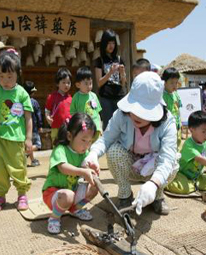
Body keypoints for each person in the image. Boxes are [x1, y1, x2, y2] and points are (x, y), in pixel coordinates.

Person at [83, 72, 179, 216]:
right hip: (130, 165)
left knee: (173, 162)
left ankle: (157, 195)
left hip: (154, 168)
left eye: (142, 111)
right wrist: (93, 154)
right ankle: (125, 194)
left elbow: (167, 158)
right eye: (133, 108)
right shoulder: (121, 115)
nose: (135, 114)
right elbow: (106, 139)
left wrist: (154, 183)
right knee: (114, 151)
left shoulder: (167, 123)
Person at [0, 50, 33, 212]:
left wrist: (28, 138)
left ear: (18, 75)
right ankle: (0, 196)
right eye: (1, 76)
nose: (5, 81)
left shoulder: (22, 94)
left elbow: (28, 118)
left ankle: (22, 195)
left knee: (19, 168)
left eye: (10, 77)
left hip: (16, 140)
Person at [42, 113, 99, 234]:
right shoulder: (60, 150)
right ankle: (54, 218)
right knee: (68, 196)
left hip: (72, 192)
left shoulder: (84, 153)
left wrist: (92, 168)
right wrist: (83, 171)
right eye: (83, 140)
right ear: (69, 136)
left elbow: (86, 166)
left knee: (94, 189)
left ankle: (75, 209)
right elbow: (63, 168)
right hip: (53, 194)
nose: (87, 145)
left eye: (90, 141)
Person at [165, 111, 206, 194]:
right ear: (192, 129)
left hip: (196, 176)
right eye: (204, 131)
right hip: (182, 174)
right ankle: (167, 182)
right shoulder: (188, 144)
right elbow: (201, 159)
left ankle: (195, 184)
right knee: (182, 188)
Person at [94, 29, 127, 131]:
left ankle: (120, 146)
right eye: (108, 43)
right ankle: (108, 147)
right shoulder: (99, 60)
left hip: (119, 96)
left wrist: (122, 73)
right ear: (104, 44)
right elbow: (99, 83)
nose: (111, 46)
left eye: (113, 43)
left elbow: (123, 83)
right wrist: (110, 72)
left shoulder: (119, 59)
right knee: (108, 126)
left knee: (121, 125)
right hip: (106, 98)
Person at [70, 66, 102, 142]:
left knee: (95, 147)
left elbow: (97, 113)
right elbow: (73, 113)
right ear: (78, 85)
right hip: (83, 127)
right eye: (86, 84)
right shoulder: (76, 97)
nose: (89, 86)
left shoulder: (93, 95)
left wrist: (100, 127)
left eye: (90, 83)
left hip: (96, 127)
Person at [45, 68, 73, 144]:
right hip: (56, 128)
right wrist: (47, 117)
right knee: (56, 147)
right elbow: (47, 110)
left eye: (68, 82)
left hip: (68, 128)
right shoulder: (51, 97)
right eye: (63, 82)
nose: (66, 85)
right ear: (57, 83)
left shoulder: (71, 99)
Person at [162, 68, 183, 149]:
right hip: (167, 124)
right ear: (164, 83)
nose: (174, 85)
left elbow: (178, 109)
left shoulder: (176, 94)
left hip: (177, 123)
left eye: (176, 82)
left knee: (178, 141)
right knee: (169, 144)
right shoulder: (162, 96)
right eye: (171, 83)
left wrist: (180, 122)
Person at [23, 81, 43, 167]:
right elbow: (38, 115)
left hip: (24, 128)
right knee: (38, 145)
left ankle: (33, 160)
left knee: (29, 143)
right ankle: (24, 153)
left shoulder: (22, 101)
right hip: (33, 128)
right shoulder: (34, 102)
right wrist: (40, 125)